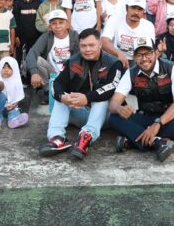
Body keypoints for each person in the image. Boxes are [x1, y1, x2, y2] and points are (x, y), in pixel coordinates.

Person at [38, 28, 124, 160]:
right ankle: (57, 138)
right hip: (81, 112)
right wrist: (63, 97)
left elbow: (112, 87)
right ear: (79, 46)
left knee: (101, 99)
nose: (87, 49)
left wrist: (87, 98)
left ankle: (86, 138)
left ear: (100, 44)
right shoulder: (73, 61)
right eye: (83, 46)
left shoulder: (114, 63)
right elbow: (57, 84)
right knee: (62, 97)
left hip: (104, 117)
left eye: (91, 45)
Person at [107, 39, 174, 161]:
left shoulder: (172, 68)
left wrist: (157, 124)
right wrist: (119, 108)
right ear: (134, 57)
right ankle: (157, 142)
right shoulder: (131, 73)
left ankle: (132, 141)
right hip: (145, 117)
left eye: (148, 53)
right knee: (114, 118)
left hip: (167, 119)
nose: (144, 58)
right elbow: (114, 102)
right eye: (139, 55)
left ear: (156, 53)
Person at [25, 9, 79, 103]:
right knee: (37, 60)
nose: (58, 26)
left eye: (61, 22)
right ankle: (48, 90)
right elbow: (32, 53)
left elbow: (81, 57)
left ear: (67, 24)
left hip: (70, 72)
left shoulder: (74, 36)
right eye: (54, 23)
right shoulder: (47, 36)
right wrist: (34, 72)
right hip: (53, 73)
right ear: (50, 26)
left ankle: (71, 88)